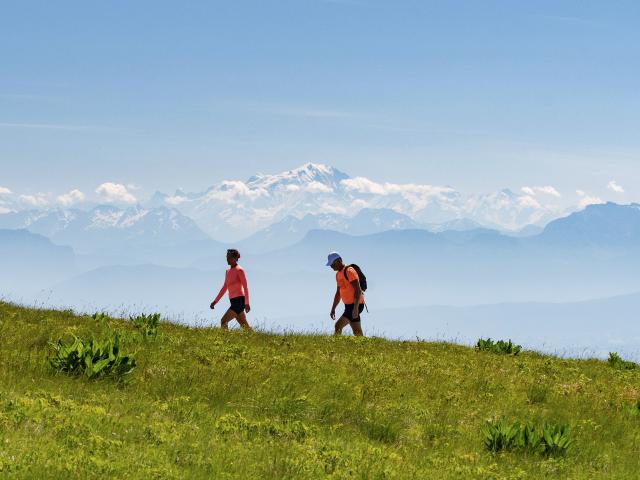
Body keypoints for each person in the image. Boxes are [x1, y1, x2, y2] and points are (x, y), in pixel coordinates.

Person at [210, 249, 252, 331]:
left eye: (229, 257)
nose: (227, 259)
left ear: (235, 258)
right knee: (246, 327)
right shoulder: (228, 271)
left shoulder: (239, 270)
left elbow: (245, 287)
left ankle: (225, 342)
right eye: (227, 257)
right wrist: (215, 301)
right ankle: (256, 340)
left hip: (239, 301)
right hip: (233, 301)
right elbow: (225, 287)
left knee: (223, 321)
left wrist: (247, 303)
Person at [327, 251, 364, 336]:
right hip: (349, 306)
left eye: (332, 264)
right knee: (357, 332)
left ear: (339, 261)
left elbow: (358, 290)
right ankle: (366, 345)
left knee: (338, 326)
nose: (331, 267)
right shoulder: (338, 274)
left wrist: (355, 308)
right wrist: (333, 308)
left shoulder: (349, 271)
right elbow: (338, 293)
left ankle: (336, 346)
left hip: (355, 305)